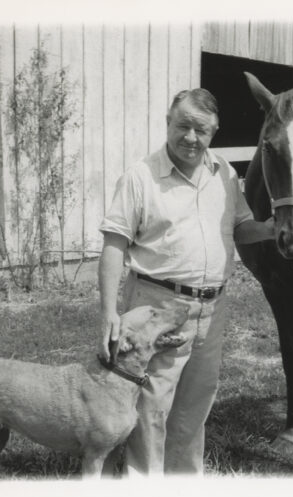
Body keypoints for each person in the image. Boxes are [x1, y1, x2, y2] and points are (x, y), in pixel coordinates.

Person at [98, 88, 273, 476]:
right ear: (167, 123)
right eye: (184, 126)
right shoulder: (140, 177)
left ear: (214, 133)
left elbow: (241, 227)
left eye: (202, 130)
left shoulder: (224, 173)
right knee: (151, 403)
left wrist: (272, 230)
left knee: (195, 405)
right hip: (156, 304)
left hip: (212, 308)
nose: (191, 138)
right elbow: (113, 245)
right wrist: (109, 311)